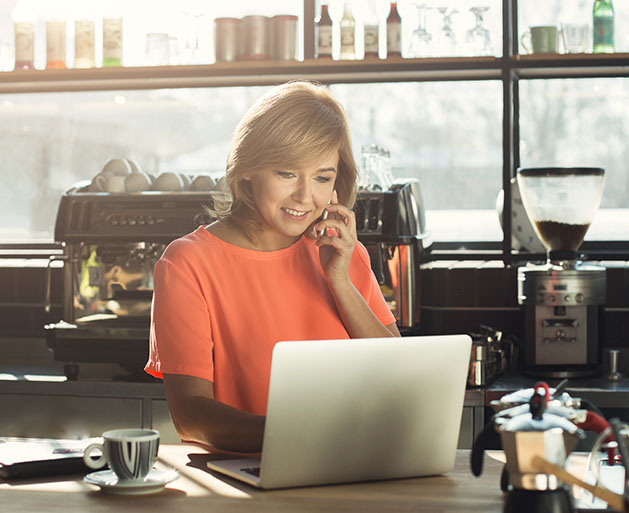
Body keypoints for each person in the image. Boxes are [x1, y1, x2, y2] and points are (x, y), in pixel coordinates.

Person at [145, 81, 400, 453]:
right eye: (287, 173)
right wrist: (300, 436)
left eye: (322, 177)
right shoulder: (186, 263)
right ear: (248, 169)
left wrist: (340, 282)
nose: (304, 196)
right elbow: (190, 414)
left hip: (354, 465)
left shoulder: (343, 254)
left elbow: (402, 374)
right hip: (249, 477)